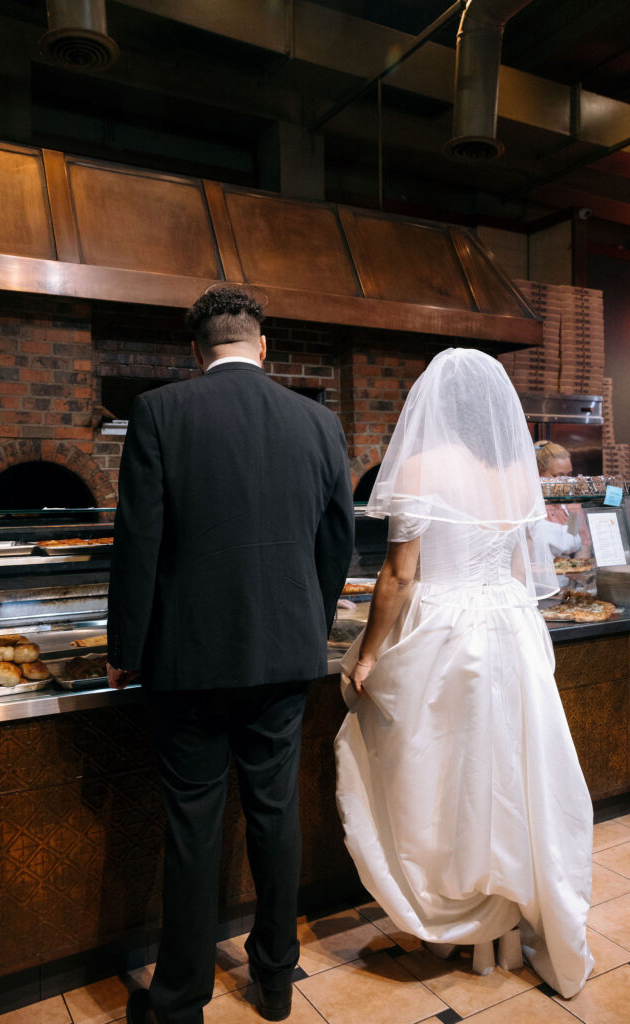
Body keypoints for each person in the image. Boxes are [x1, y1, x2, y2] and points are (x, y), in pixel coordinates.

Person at [107, 286, 354, 1024]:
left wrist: (125, 647)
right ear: (261, 345)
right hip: (285, 653)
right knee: (275, 814)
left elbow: (138, 544)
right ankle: (275, 978)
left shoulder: (158, 412)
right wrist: (305, 622)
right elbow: (336, 541)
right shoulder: (318, 423)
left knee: (193, 824)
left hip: (186, 662)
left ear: (196, 349)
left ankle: (180, 998)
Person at [335, 348, 594, 999]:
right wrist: (514, 628)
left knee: (446, 773)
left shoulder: (420, 466)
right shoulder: (513, 474)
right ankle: (505, 915)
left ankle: (460, 904)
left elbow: (397, 576)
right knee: (510, 770)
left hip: (445, 628)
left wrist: (365, 655)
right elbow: (516, 568)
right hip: (507, 623)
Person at [534, 441, 587, 558]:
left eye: (569, 474)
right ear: (539, 472)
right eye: (558, 476)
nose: (566, 481)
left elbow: (578, 538)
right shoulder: (529, 502)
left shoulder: (572, 504)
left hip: (565, 571)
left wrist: (577, 570)